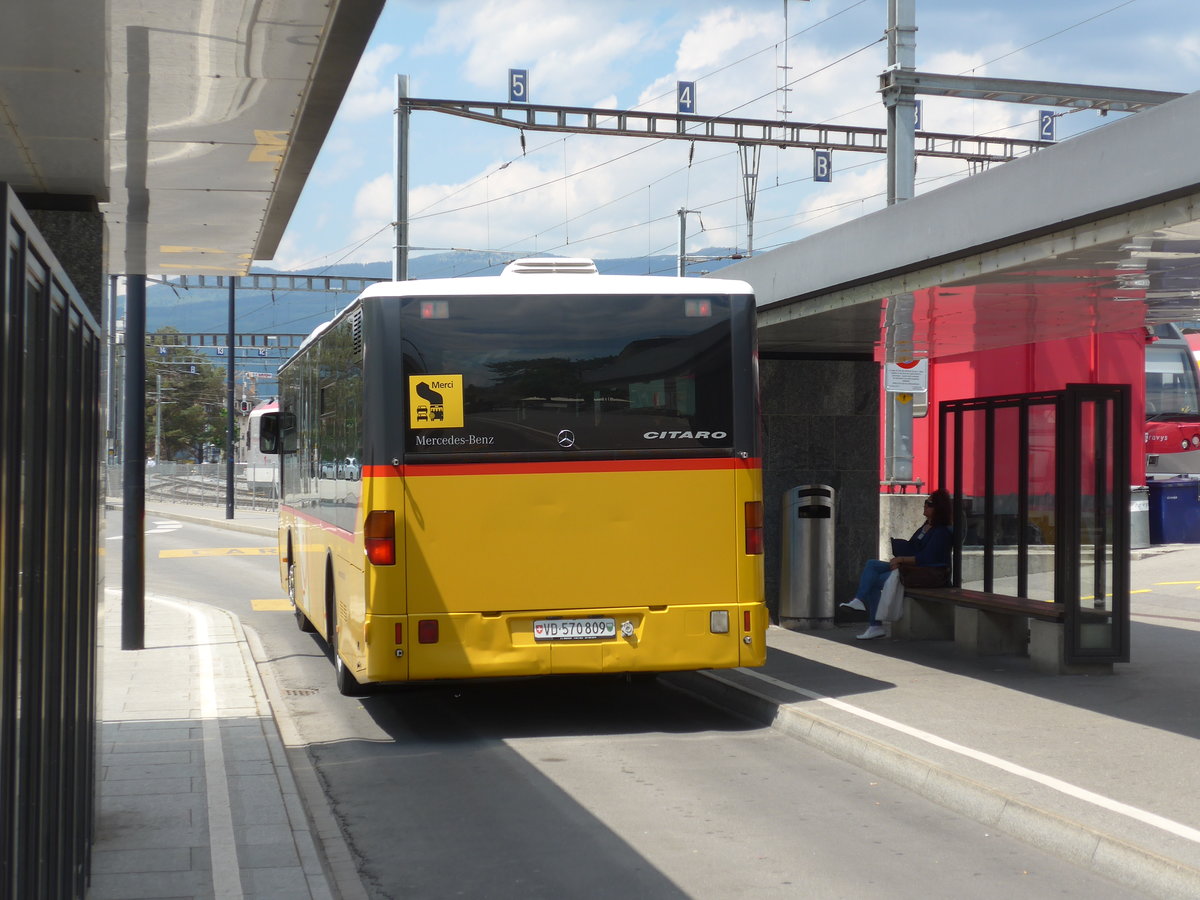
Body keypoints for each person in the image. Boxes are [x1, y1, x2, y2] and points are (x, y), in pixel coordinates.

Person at [840, 489, 954, 640]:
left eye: (929, 503)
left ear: (938, 509)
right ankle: (860, 602)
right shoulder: (926, 527)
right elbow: (914, 547)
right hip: (913, 568)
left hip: (927, 574)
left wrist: (901, 560)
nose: (924, 505)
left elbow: (927, 558)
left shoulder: (941, 532)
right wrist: (900, 552)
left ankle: (874, 624)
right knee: (872, 565)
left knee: (873, 580)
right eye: (925, 502)